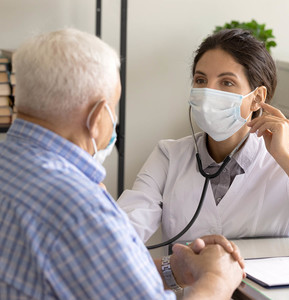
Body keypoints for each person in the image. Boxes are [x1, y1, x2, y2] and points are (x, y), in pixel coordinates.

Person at [0, 28, 244, 299]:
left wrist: (174, 269)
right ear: (97, 116)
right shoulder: (81, 209)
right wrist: (217, 280)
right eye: (114, 106)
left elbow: (95, 273)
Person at [118, 28, 289, 244]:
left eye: (227, 82)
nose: (207, 93)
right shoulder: (168, 155)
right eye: (201, 80)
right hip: (184, 279)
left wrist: (285, 158)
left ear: (257, 98)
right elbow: (123, 232)